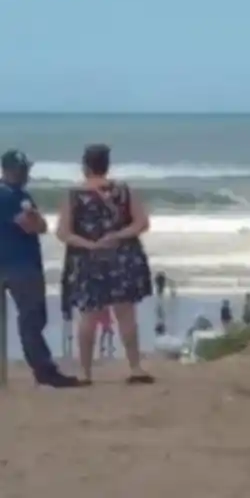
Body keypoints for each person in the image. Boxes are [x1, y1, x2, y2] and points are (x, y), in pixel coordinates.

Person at [56, 144, 154, 385]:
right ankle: (135, 367)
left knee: (88, 317)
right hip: (123, 257)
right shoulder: (124, 191)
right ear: (106, 165)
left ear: (85, 166)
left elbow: (63, 232)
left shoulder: (73, 195)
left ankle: (86, 373)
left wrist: (89, 244)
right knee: (126, 314)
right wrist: (117, 235)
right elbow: (141, 223)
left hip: (88, 261)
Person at [0, 150, 80, 388]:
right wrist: (34, 219)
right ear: (9, 170)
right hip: (20, 265)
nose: (26, 173)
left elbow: (42, 226)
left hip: (18, 263)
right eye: (22, 169)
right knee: (32, 319)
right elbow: (31, 225)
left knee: (31, 319)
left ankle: (42, 369)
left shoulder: (20, 194)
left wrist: (35, 220)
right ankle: (44, 370)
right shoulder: (9, 196)